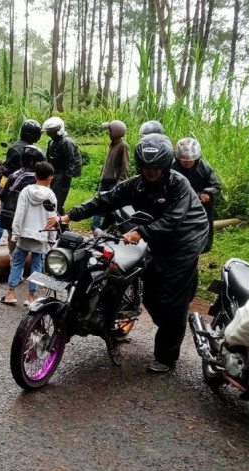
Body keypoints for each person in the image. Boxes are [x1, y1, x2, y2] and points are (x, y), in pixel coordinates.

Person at [46, 133, 209, 372]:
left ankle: (166, 356)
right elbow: (106, 199)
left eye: (155, 169)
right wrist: (69, 215)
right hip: (157, 235)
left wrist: (141, 232)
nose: (151, 174)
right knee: (151, 293)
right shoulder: (136, 183)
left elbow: (174, 218)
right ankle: (157, 323)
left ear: (165, 167)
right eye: (146, 169)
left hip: (187, 238)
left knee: (173, 300)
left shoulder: (178, 184)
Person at [1, 161, 57, 306]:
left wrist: (16, 233)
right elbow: (52, 218)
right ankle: (32, 296)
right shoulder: (51, 195)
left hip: (25, 233)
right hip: (41, 235)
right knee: (37, 266)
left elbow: (19, 213)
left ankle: (11, 293)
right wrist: (51, 239)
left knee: (17, 262)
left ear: (35, 175)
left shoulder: (26, 191)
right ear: (50, 178)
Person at [0, 119, 43, 246]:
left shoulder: (14, 147)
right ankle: (15, 243)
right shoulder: (34, 151)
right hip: (22, 187)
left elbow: (7, 169)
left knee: (4, 214)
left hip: (10, 186)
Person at [173, 137, 221, 253]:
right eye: (184, 160)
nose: (188, 162)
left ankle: (200, 249)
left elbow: (216, 186)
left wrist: (207, 193)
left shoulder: (204, 167)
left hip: (201, 205)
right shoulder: (172, 168)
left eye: (190, 159)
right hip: (180, 205)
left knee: (203, 233)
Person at [0, 145, 46, 252]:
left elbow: (2, 195)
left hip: (11, 215)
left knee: (12, 238)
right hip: (31, 219)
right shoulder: (39, 179)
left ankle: (13, 260)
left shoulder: (14, 175)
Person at [92, 120, 130, 230]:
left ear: (116, 132)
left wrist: (120, 182)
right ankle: (95, 227)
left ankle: (109, 227)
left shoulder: (123, 146)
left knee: (113, 207)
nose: (108, 134)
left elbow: (125, 166)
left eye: (109, 132)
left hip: (114, 182)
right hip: (105, 180)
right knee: (98, 203)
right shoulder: (112, 144)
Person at [42, 117, 82, 215]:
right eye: (49, 132)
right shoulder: (51, 142)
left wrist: (66, 180)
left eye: (52, 132)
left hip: (63, 174)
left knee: (57, 201)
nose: (50, 134)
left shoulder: (66, 142)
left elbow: (71, 162)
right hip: (55, 173)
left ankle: (60, 222)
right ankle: (61, 222)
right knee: (54, 199)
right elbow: (49, 159)